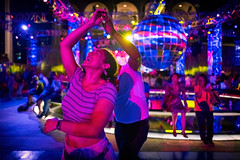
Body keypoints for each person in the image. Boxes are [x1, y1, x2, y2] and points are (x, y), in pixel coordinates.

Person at [44, 9, 118, 159]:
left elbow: (93, 130)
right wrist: (90, 24)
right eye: (92, 52)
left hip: (94, 153)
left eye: (96, 54)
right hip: (68, 150)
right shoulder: (77, 77)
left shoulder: (107, 89)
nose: (90, 53)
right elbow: (65, 45)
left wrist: (58, 124)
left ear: (105, 66)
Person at [102, 12, 149, 160]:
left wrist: (114, 33)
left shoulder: (128, 69)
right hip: (120, 123)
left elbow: (135, 55)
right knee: (125, 156)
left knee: (126, 155)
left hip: (138, 123)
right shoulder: (106, 80)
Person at [162, 73, 189, 138]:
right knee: (174, 114)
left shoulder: (181, 85)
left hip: (178, 101)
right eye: (173, 77)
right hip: (172, 102)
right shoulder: (169, 85)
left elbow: (184, 95)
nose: (174, 79)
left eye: (175, 77)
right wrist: (165, 103)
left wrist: (185, 104)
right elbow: (166, 95)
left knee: (183, 113)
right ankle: (174, 129)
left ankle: (183, 131)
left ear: (178, 79)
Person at [194, 74, 215, 146]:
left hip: (209, 108)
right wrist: (201, 87)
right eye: (199, 80)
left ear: (205, 80)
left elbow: (212, 97)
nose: (200, 81)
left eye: (201, 80)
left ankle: (210, 139)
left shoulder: (209, 87)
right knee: (201, 124)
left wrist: (210, 91)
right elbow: (198, 96)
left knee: (210, 124)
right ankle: (204, 139)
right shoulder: (196, 87)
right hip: (199, 109)